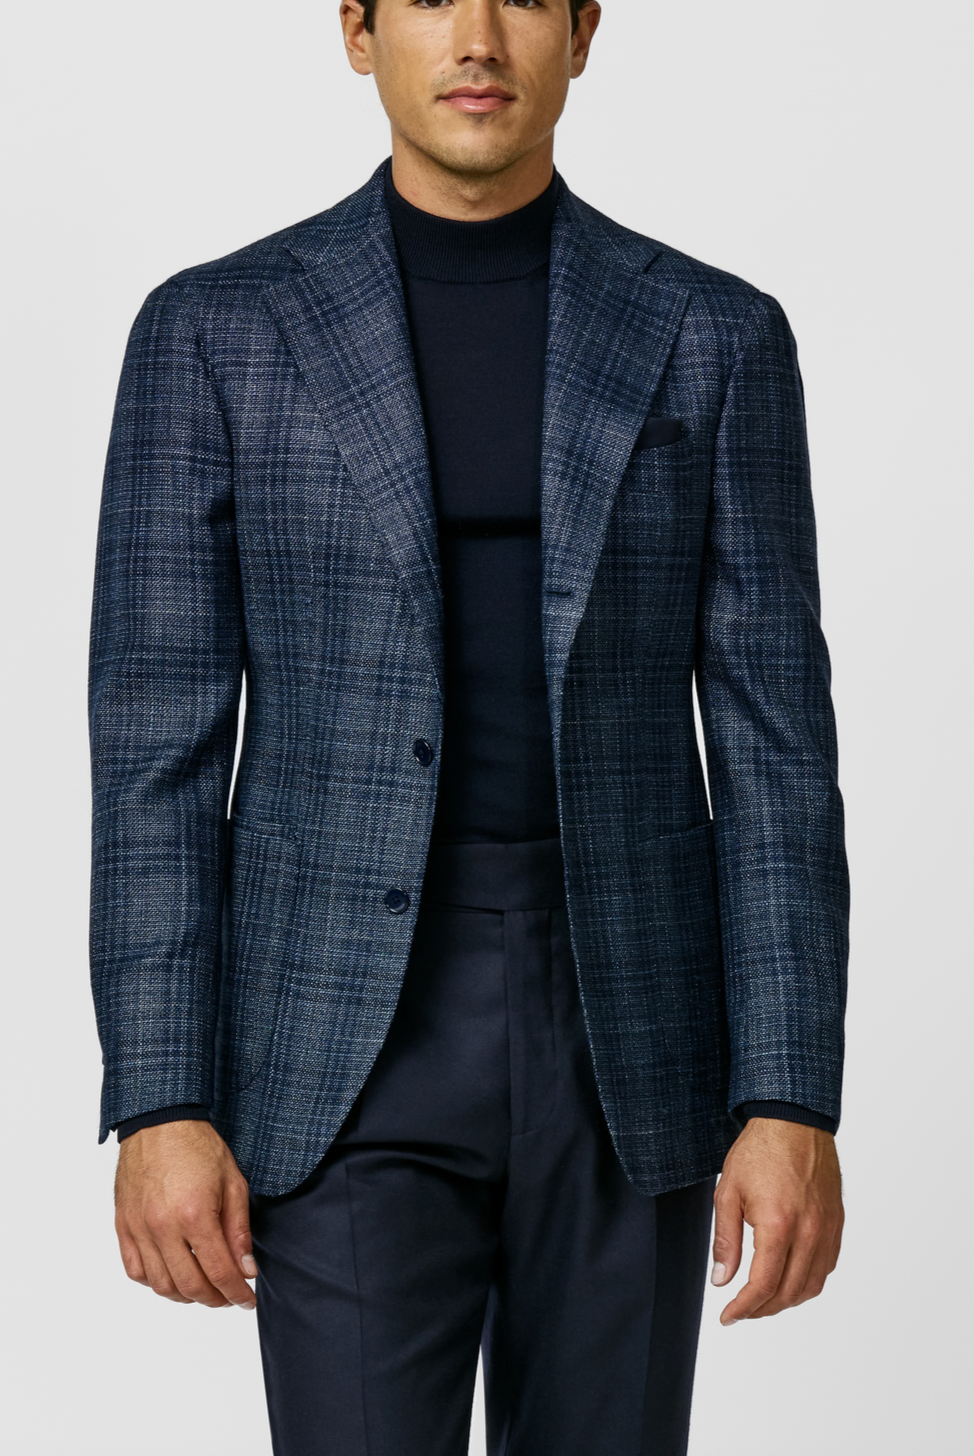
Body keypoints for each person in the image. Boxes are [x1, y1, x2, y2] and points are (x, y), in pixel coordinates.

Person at [88, 2, 849, 1452]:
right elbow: (152, 751)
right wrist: (161, 1096)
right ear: (359, 31)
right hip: (335, 1032)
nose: (479, 37)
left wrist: (789, 1092)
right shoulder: (214, 332)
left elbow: (775, 746)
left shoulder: (713, 334)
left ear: (584, 30)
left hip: (628, 1027)